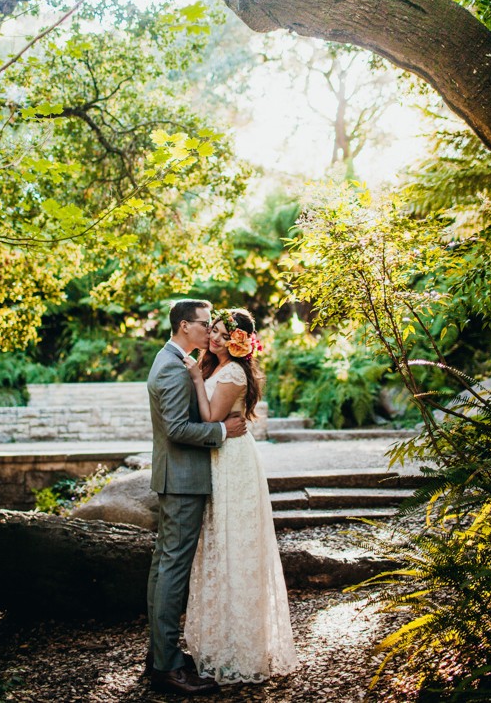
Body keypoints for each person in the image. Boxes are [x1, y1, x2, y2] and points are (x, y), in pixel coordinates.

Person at [183, 308, 299, 685]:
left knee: (237, 548)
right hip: (218, 458)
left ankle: (242, 650)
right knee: (219, 547)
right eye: (213, 331)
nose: (215, 338)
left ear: (240, 342)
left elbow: (210, 417)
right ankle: (218, 644)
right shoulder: (213, 366)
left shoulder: (232, 372)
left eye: (222, 334)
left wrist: (196, 381)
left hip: (233, 462)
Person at [146, 298, 247, 696]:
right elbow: (176, 429)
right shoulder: (172, 367)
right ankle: (167, 667)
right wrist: (223, 432)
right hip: (183, 479)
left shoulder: (174, 360)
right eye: (205, 324)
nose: (210, 331)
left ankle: (159, 656)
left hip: (178, 478)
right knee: (172, 572)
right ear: (185, 326)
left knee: (163, 569)